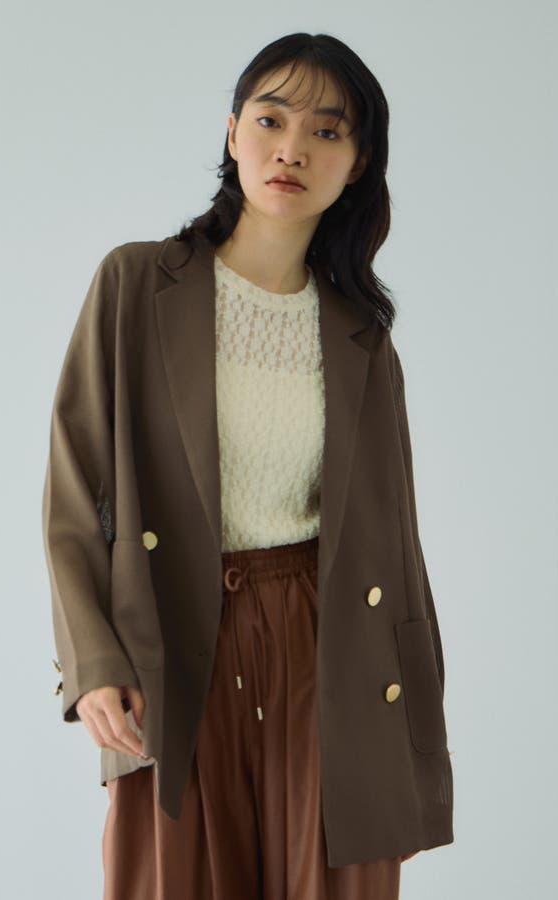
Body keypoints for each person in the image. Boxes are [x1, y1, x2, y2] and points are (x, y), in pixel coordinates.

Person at [42, 31, 453, 900]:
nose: (292, 148)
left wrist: (412, 750)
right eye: (271, 119)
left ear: (357, 164)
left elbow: (396, 548)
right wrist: (93, 662)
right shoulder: (135, 285)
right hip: (172, 637)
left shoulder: (362, 339)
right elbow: (75, 496)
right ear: (232, 133)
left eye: (327, 131)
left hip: (325, 646)